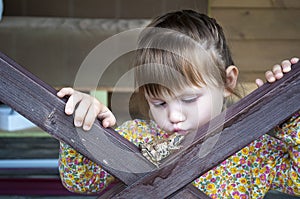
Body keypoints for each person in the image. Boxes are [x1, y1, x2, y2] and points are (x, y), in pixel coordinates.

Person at [57, 10, 300, 198]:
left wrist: (290, 113)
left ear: (227, 81)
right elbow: (81, 181)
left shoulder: (252, 150)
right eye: (159, 103)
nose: (174, 116)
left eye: (189, 99)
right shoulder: (135, 137)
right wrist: (82, 123)